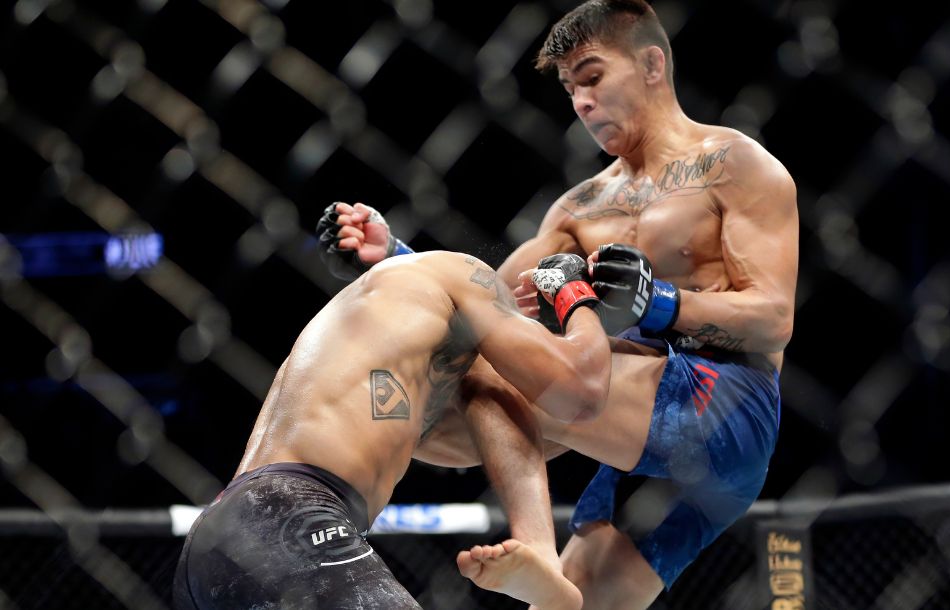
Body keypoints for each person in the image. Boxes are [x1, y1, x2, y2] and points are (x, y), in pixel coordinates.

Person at [317, 0, 798, 607]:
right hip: (639, 435)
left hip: (723, 404)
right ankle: (343, 516)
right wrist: (397, 256)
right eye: (571, 88)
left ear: (652, 64)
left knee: (485, 371)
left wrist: (661, 304)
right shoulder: (578, 210)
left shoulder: (734, 164)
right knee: (441, 392)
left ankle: (536, 547)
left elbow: (774, 318)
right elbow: (482, 304)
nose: (582, 102)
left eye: (593, 77)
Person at [172, 250, 612, 610]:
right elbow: (582, 391)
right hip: (291, 515)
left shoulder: (398, 331)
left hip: (219, 538)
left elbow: (492, 420)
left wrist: (539, 553)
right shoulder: (466, 275)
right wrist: (575, 297)